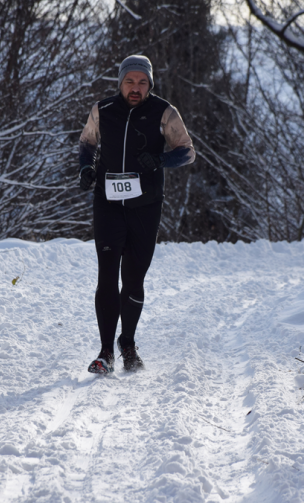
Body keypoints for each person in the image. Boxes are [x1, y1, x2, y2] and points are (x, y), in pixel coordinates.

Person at [77, 54, 196, 374]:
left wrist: (161, 160)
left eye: (142, 82)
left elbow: (187, 151)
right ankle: (105, 353)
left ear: (150, 85)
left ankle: (127, 344)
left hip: (146, 207)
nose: (135, 88)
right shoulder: (102, 111)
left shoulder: (164, 112)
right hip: (108, 204)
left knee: (133, 278)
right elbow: (86, 144)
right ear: (120, 82)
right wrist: (86, 169)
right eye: (130, 81)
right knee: (106, 276)